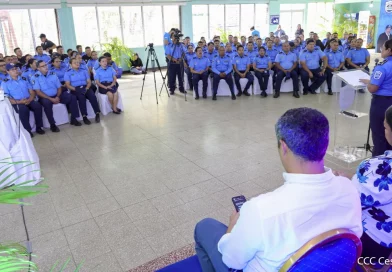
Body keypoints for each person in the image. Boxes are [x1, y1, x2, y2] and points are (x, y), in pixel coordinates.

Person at [194, 107, 363, 272]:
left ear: (283, 146)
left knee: (204, 227)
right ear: (325, 143)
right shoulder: (349, 188)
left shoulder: (261, 209)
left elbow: (232, 260)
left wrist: (230, 231)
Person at [359, 40, 392, 156]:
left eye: (383, 48)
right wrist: (371, 81)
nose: (381, 50)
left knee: (380, 135)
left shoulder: (382, 67)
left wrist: (370, 84)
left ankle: (379, 165)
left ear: (389, 50)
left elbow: (372, 89)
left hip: (382, 103)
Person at [33, 60, 82, 131]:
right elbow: (38, 92)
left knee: (72, 97)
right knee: (47, 103)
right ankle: (52, 124)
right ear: (38, 68)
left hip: (57, 94)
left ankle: (74, 119)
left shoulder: (53, 74)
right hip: (45, 97)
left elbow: (59, 87)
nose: (45, 67)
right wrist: (51, 99)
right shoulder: (35, 77)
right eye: (42, 66)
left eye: (45, 65)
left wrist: (57, 96)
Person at [2, 63, 45, 137]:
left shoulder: (23, 79)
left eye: (16, 69)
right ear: (8, 71)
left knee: (37, 106)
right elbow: (6, 97)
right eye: (13, 69)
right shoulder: (5, 83)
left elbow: (31, 91)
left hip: (28, 99)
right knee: (23, 110)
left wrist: (30, 99)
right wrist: (19, 102)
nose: (15, 71)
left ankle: (39, 127)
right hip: (16, 102)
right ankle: (27, 131)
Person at [64, 58, 101, 125]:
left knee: (92, 96)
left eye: (78, 62)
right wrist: (76, 89)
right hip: (75, 89)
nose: (77, 64)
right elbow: (67, 85)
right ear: (70, 64)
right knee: (81, 98)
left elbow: (89, 82)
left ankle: (97, 113)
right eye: (75, 62)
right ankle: (84, 116)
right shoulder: (68, 73)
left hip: (85, 87)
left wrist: (86, 88)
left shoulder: (84, 71)